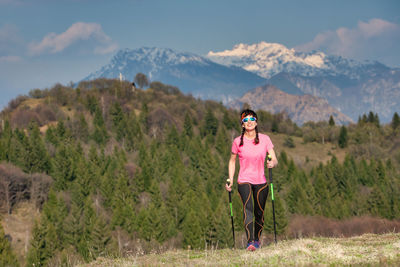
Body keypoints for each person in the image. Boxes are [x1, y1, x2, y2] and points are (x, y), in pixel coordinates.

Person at [225, 109, 278, 251]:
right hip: (244, 180)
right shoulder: (237, 142)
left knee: (259, 213)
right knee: (248, 209)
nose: (249, 122)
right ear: (242, 124)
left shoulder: (265, 139)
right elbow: (232, 161)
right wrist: (230, 179)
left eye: (252, 119)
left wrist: (272, 163)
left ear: (256, 122)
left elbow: (274, 158)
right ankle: (250, 243)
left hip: (261, 181)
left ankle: (256, 240)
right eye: (245, 120)